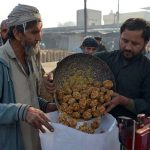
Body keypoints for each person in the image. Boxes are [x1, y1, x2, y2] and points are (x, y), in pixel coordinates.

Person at [0, 4, 56, 150]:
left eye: (40, 31)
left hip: (36, 142)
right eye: (34, 32)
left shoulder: (30, 57)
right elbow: (21, 107)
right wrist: (22, 111)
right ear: (18, 33)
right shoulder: (2, 61)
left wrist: (46, 106)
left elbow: (25, 97)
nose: (39, 37)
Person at [94, 18, 150, 119]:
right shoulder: (102, 58)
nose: (128, 47)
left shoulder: (147, 69)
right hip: (96, 127)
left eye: (135, 44)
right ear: (120, 37)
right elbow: (78, 65)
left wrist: (124, 101)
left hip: (127, 129)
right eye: (125, 41)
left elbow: (148, 106)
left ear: (145, 44)